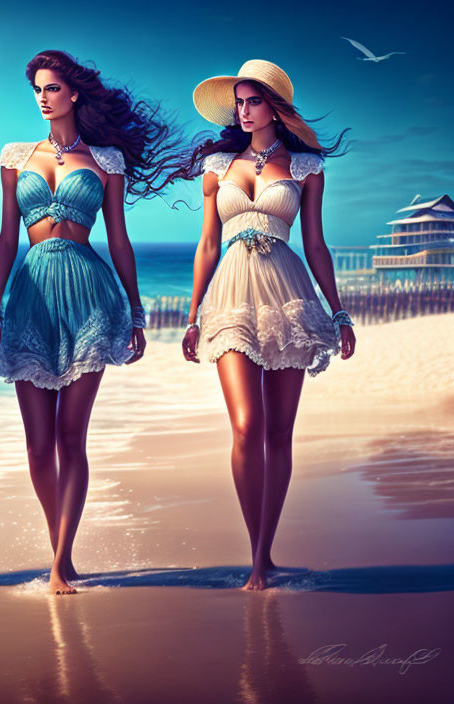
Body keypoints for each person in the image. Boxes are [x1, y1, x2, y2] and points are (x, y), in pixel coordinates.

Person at [0, 50, 189, 594]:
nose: (42, 98)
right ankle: (60, 547)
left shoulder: (107, 160)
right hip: (30, 294)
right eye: (37, 90)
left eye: (51, 88)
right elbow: (7, 238)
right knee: (36, 443)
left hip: (90, 294)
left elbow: (118, 239)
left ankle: (60, 560)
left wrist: (137, 308)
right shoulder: (13, 157)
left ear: (73, 93)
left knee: (71, 438)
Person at [182, 60, 355, 590]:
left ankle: (264, 556)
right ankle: (256, 553)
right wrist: (192, 317)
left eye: (253, 100)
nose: (244, 110)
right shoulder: (217, 165)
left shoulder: (305, 168)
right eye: (238, 102)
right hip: (231, 295)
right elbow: (208, 243)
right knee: (245, 426)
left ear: (274, 107)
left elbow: (316, 245)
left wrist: (339, 308)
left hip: (288, 295)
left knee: (279, 432)